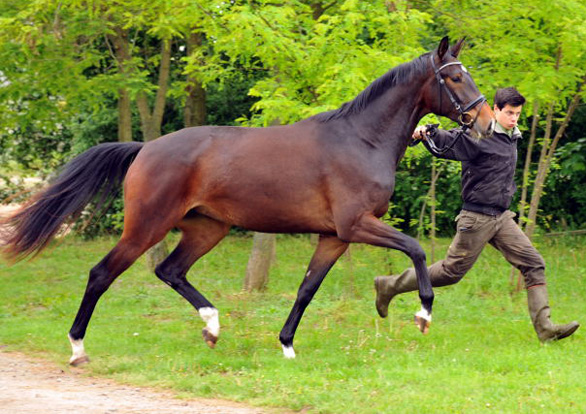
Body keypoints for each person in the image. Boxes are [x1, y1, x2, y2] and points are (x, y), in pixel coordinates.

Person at [374, 87, 579, 342]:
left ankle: (546, 329)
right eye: (509, 113)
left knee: (533, 264)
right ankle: (389, 285)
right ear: (495, 110)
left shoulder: (511, 136)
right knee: (450, 272)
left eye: (517, 114)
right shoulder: (480, 134)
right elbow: (449, 142)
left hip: (502, 218)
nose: (514, 118)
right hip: (477, 218)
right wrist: (426, 133)